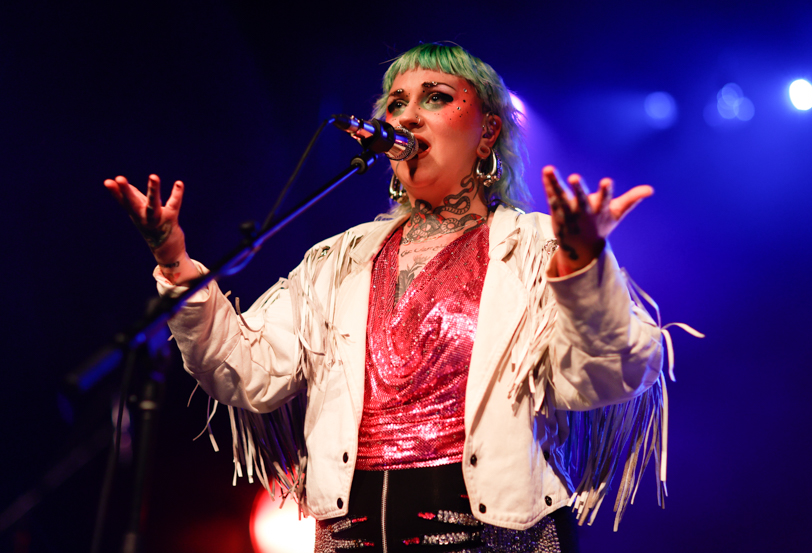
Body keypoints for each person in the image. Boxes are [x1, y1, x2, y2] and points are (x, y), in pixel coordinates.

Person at [105, 43, 664, 553]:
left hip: (494, 539)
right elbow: (248, 371)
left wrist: (582, 270)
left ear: (488, 131)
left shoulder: (538, 247)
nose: (408, 117)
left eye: (436, 98)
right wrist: (174, 262)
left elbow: (610, 372)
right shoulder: (340, 260)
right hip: (353, 539)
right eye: (396, 104)